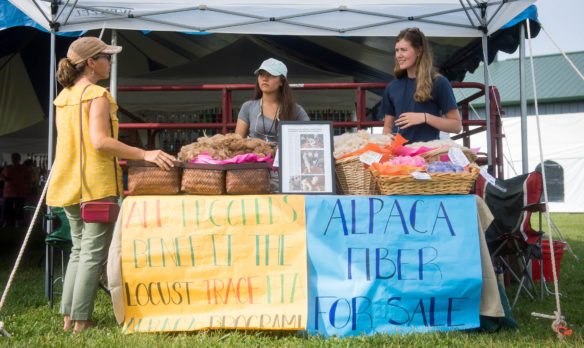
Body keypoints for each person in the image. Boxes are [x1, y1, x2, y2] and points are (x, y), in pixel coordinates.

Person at [46, 37, 175, 333]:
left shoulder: (62, 97)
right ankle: (81, 321)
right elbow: (100, 141)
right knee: (92, 253)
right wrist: (146, 153)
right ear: (91, 63)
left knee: (79, 251)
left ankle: (69, 319)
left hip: (67, 183)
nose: (111, 61)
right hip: (97, 185)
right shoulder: (97, 95)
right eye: (106, 56)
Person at [235, 58, 310, 192]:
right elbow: (236, 143)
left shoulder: (296, 110)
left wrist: (281, 149)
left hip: (286, 172)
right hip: (254, 171)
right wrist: (257, 148)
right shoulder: (248, 107)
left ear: (282, 81)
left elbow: (309, 141)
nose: (265, 78)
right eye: (262, 74)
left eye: (271, 75)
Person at [380, 27, 462, 143]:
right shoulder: (392, 87)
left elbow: (456, 126)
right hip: (398, 157)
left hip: (427, 156)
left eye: (403, 50)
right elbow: (387, 127)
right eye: (397, 50)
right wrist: (387, 137)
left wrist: (425, 117)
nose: (399, 55)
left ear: (419, 51)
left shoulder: (439, 82)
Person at [0, 153, 30, 227]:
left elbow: (28, 178)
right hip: (9, 192)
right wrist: (5, 179)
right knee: (6, 209)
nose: (15, 159)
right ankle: (7, 222)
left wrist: (26, 186)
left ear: (19, 159)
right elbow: (1, 177)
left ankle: (18, 223)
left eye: (16, 158)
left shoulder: (23, 168)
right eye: (14, 158)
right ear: (12, 159)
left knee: (19, 209)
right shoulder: (7, 168)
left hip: (19, 192)